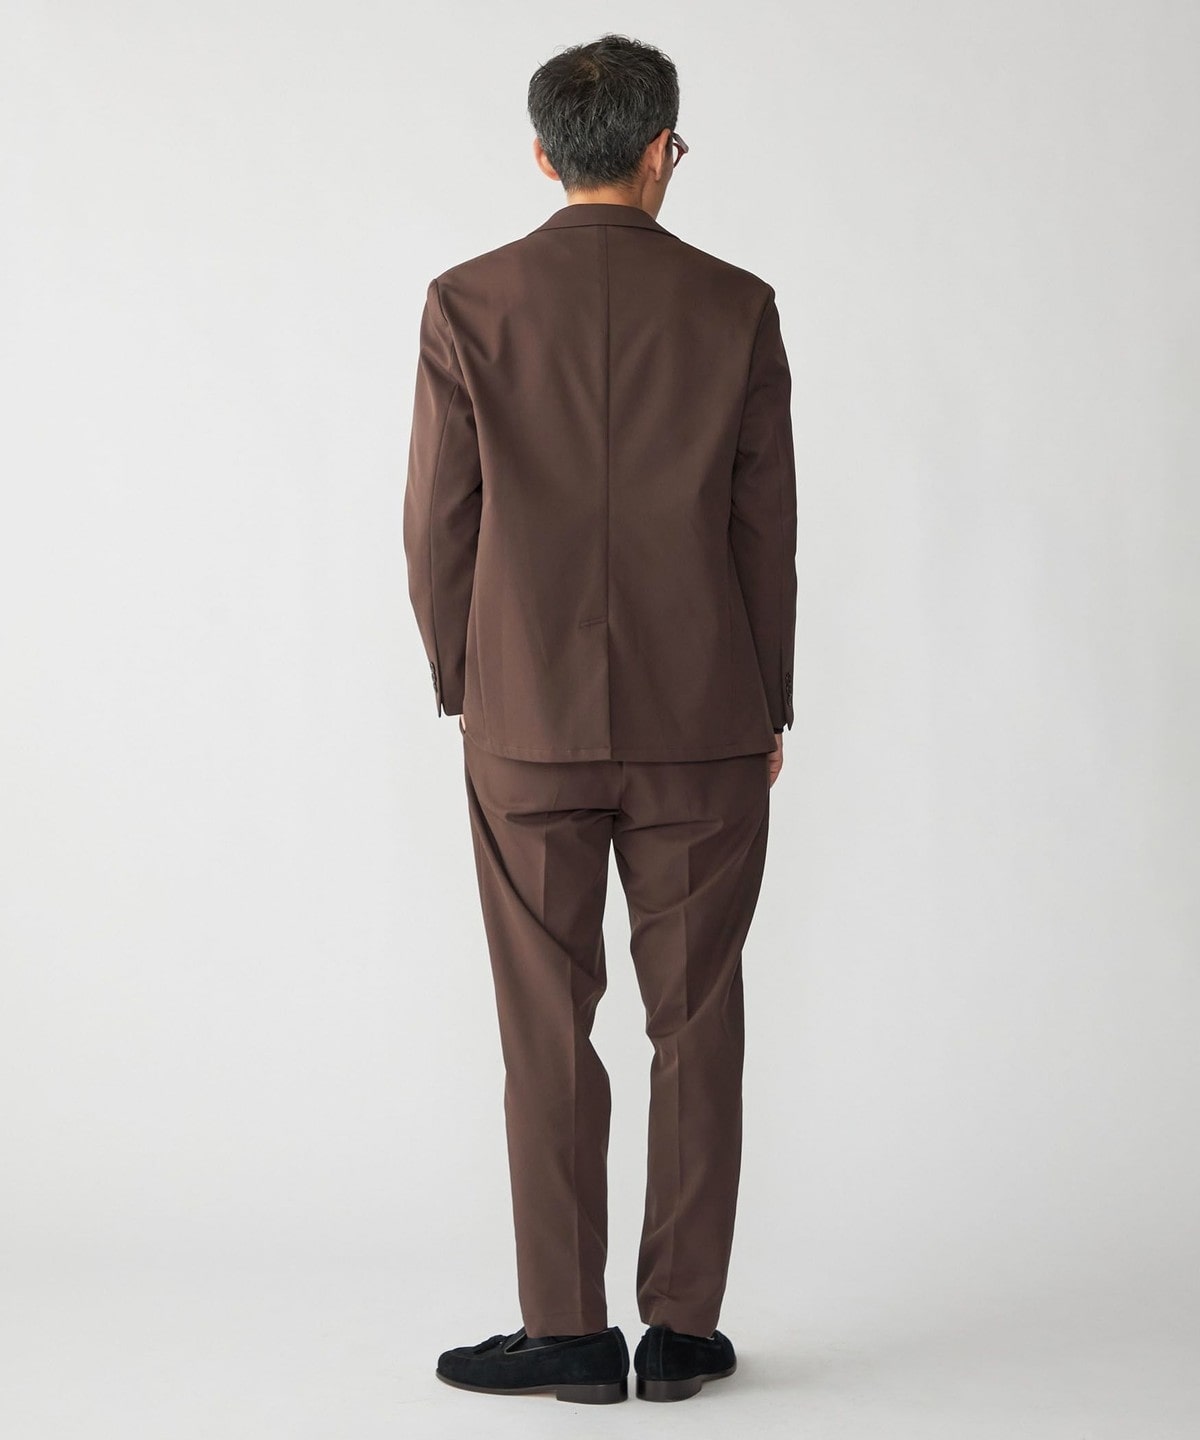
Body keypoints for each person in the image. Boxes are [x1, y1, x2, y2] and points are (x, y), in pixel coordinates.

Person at [403, 32, 797, 1404]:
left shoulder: (468, 302)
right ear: (660, 150)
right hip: (706, 720)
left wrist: (469, 684)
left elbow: (437, 525)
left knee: (542, 1027)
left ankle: (567, 1331)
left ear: (542, 156)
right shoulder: (738, 307)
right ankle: (681, 1332)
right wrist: (769, 701)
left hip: (525, 722)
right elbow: (764, 530)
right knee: (698, 1020)